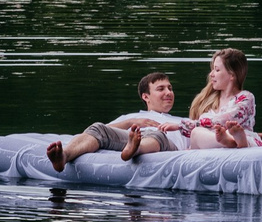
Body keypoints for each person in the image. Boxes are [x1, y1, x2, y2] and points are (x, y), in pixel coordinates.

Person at [46, 70, 190, 173]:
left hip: (163, 143)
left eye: (170, 88)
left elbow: (197, 138)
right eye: (161, 89)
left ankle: (136, 148)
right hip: (131, 138)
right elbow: (96, 131)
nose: (169, 92)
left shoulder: (183, 121)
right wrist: (130, 122)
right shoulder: (131, 117)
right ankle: (64, 156)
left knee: (158, 135)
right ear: (146, 97)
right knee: (98, 127)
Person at [184, 48, 262, 149]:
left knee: (216, 131)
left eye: (217, 70)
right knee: (197, 133)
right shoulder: (206, 101)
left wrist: (181, 126)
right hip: (215, 141)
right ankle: (229, 141)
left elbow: (226, 120)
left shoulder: (245, 97)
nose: (211, 74)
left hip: (239, 138)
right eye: (213, 70)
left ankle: (232, 140)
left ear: (231, 75)